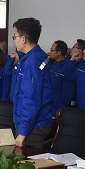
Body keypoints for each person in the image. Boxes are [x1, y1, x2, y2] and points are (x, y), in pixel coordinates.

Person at [10, 18, 52, 148]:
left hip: (32, 127)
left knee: (26, 159)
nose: (14, 40)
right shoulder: (32, 57)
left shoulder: (33, 61)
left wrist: (23, 131)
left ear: (23, 39)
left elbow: (31, 98)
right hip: (29, 123)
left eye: (15, 37)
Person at [46, 40, 75, 116]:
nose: (50, 52)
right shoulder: (52, 65)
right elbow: (40, 68)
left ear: (59, 53)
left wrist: (59, 109)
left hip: (58, 108)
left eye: (52, 50)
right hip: (49, 105)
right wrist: (46, 58)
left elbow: (68, 91)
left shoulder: (68, 66)